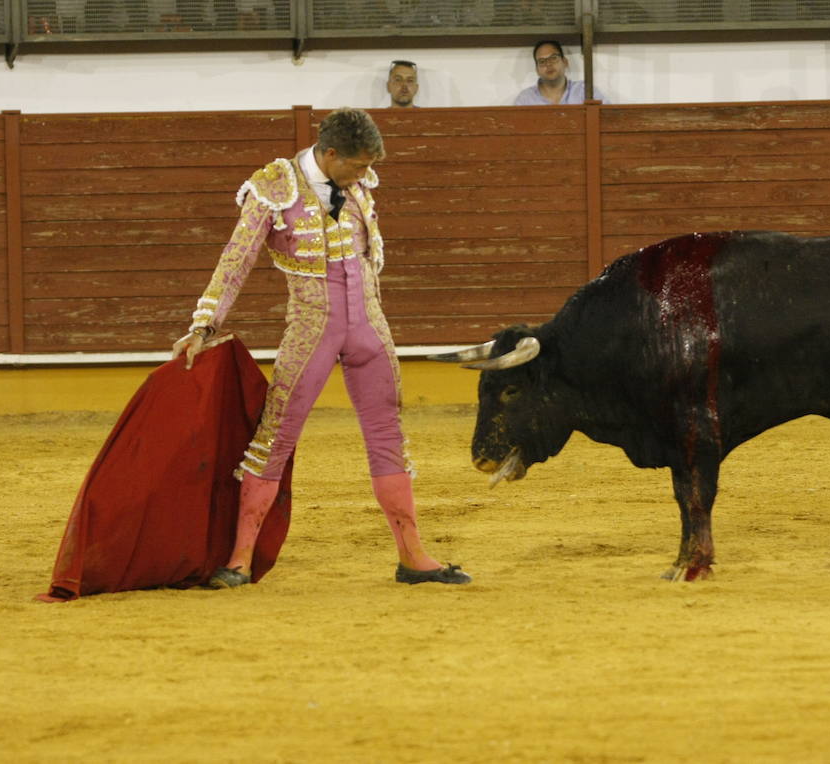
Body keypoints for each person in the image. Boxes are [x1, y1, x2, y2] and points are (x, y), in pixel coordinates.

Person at [173, 107, 472, 588]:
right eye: (358, 165)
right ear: (331, 154)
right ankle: (240, 559)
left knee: (388, 437)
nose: (365, 175)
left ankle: (413, 556)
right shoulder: (274, 186)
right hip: (312, 327)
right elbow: (237, 257)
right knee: (274, 436)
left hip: (370, 326)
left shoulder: (358, 183)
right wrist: (204, 324)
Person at [514, 39, 611, 104]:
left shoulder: (584, 91)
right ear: (537, 70)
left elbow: (608, 119)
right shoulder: (526, 99)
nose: (548, 64)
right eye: (542, 61)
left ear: (565, 62)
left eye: (553, 58)